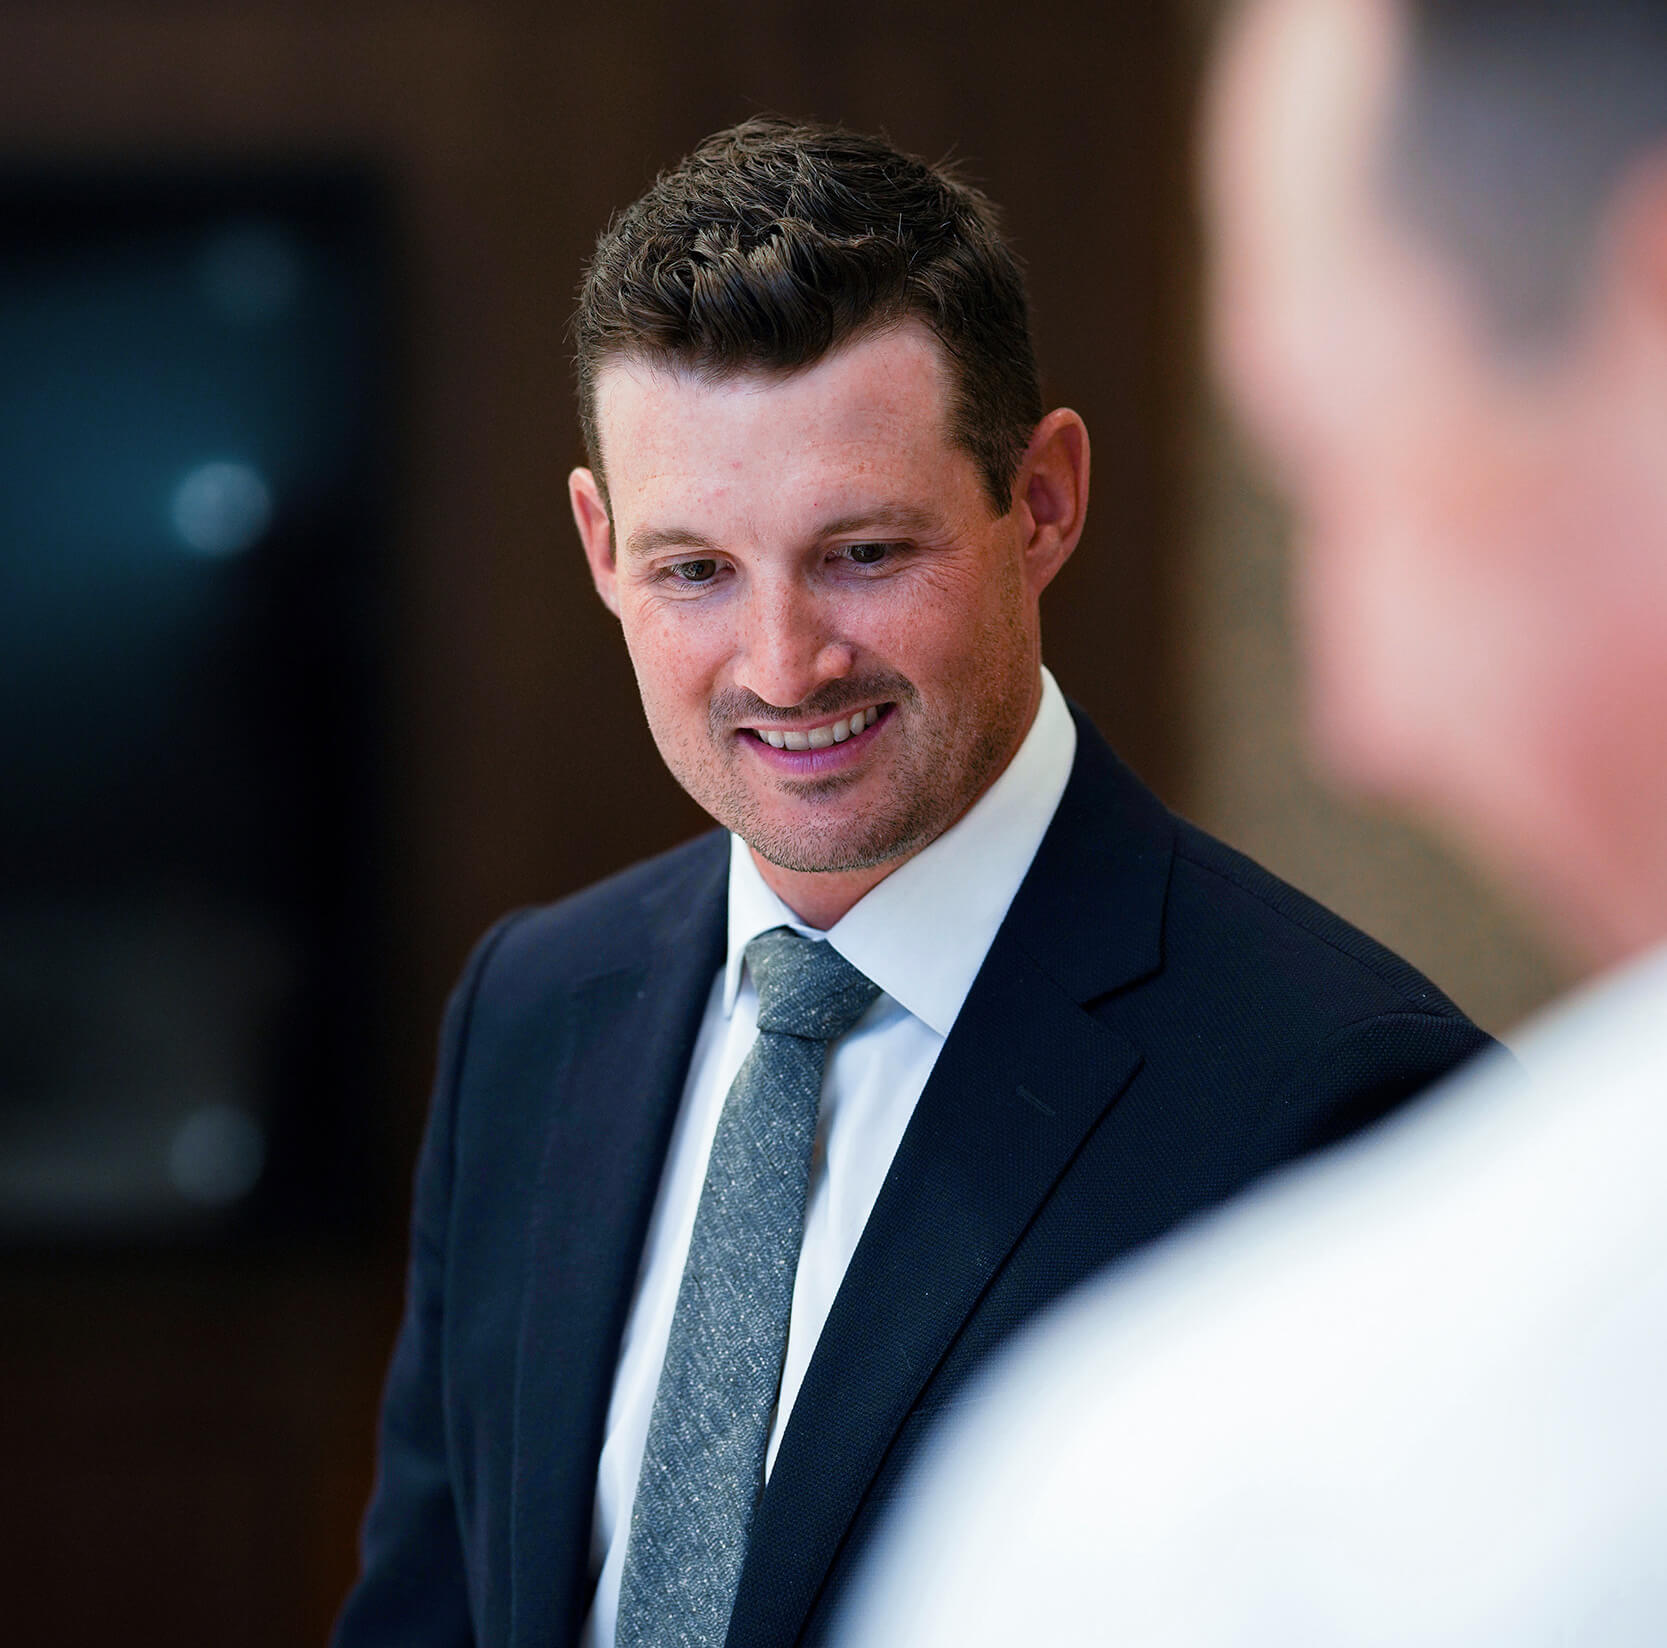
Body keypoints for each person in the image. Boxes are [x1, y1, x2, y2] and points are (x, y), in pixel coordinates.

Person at [331, 117, 1495, 1648]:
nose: (782, 663)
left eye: (864, 552)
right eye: (694, 571)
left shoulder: (1344, 1103)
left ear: (1045, 502)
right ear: (601, 548)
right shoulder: (534, 1012)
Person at [833, 1, 1667, 1643]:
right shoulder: (527, 1012)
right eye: (692, 565)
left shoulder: (1234, 1528)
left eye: (1355, 467)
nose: (1368, 712)